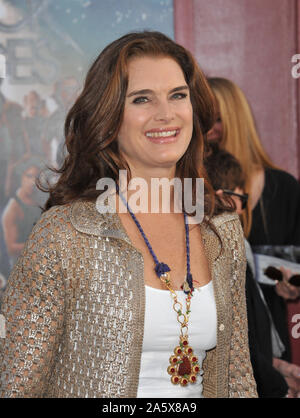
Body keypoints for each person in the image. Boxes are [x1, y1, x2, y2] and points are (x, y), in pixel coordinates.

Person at [0, 31, 257, 398]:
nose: (165, 114)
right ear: (109, 118)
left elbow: (237, 377)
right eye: (142, 99)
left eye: (177, 96)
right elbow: (17, 387)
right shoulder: (66, 233)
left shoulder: (221, 231)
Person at [207, 76, 300, 365]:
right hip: (209, 345)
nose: (209, 129)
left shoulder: (283, 187)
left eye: (218, 119)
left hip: (268, 346)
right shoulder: (188, 187)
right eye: (200, 119)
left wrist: (293, 283)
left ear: (237, 120)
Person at [204, 143, 300, 397]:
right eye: (241, 200)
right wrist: (273, 380)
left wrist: (274, 365)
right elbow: (234, 334)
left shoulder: (235, 243)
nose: (243, 210)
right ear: (223, 196)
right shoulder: (220, 247)